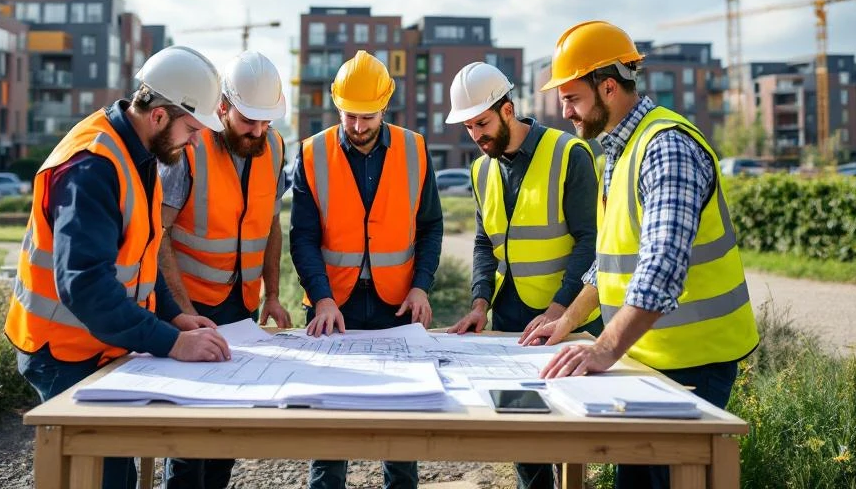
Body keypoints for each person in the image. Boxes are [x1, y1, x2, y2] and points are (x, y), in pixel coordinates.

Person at [530, 20, 760, 489]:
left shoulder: (665, 147)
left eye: (572, 99)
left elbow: (659, 270)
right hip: (645, 358)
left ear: (609, 87)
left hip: (694, 363)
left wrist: (603, 347)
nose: (566, 112)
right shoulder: (617, 152)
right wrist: (568, 321)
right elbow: (611, 261)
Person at [5, 45, 232, 489]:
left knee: (115, 472)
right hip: (63, 350)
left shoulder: (139, 151)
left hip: (99, 340)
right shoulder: (92, 166)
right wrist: (174, 343)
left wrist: (174, 315)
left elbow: (141, 255)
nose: (198, 139)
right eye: (192, 127)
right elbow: (87, 287)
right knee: (101, 477)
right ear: (160, 115)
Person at [290, 50, 443, 489]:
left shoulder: (414, 149)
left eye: (368, 117)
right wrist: (321, 297)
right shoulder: (312, 152)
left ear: (385, 107)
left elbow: (431, 225)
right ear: (337, 106)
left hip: (398, 305)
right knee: (329, 426)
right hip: (331, 306)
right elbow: (302, 236)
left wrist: (421, 288)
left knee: (401, 424)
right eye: (350, 116)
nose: (358, 127)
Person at [444, 62, 601, 489]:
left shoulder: (569, 154)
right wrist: (479, 303)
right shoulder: (482, 169)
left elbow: (591, 243)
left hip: (569, 320)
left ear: (508, 111)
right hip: (510, 323)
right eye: (468, 127)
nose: (476, 135)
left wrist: (559, 310)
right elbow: (483, 242)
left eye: (482, 123)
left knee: (571, 433)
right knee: (524, 438)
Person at [159, 50, 293, 489]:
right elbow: (158, 236)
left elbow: (271, 223)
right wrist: (181, 313)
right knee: (189, 434)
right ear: (222, 108)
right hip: (189, 304)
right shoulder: (188, 148)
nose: (257, 132)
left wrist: (272, 294)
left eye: (265, 122)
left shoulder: (274, 146)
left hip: (240, 306)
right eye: (247, 121)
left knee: (227, 427)